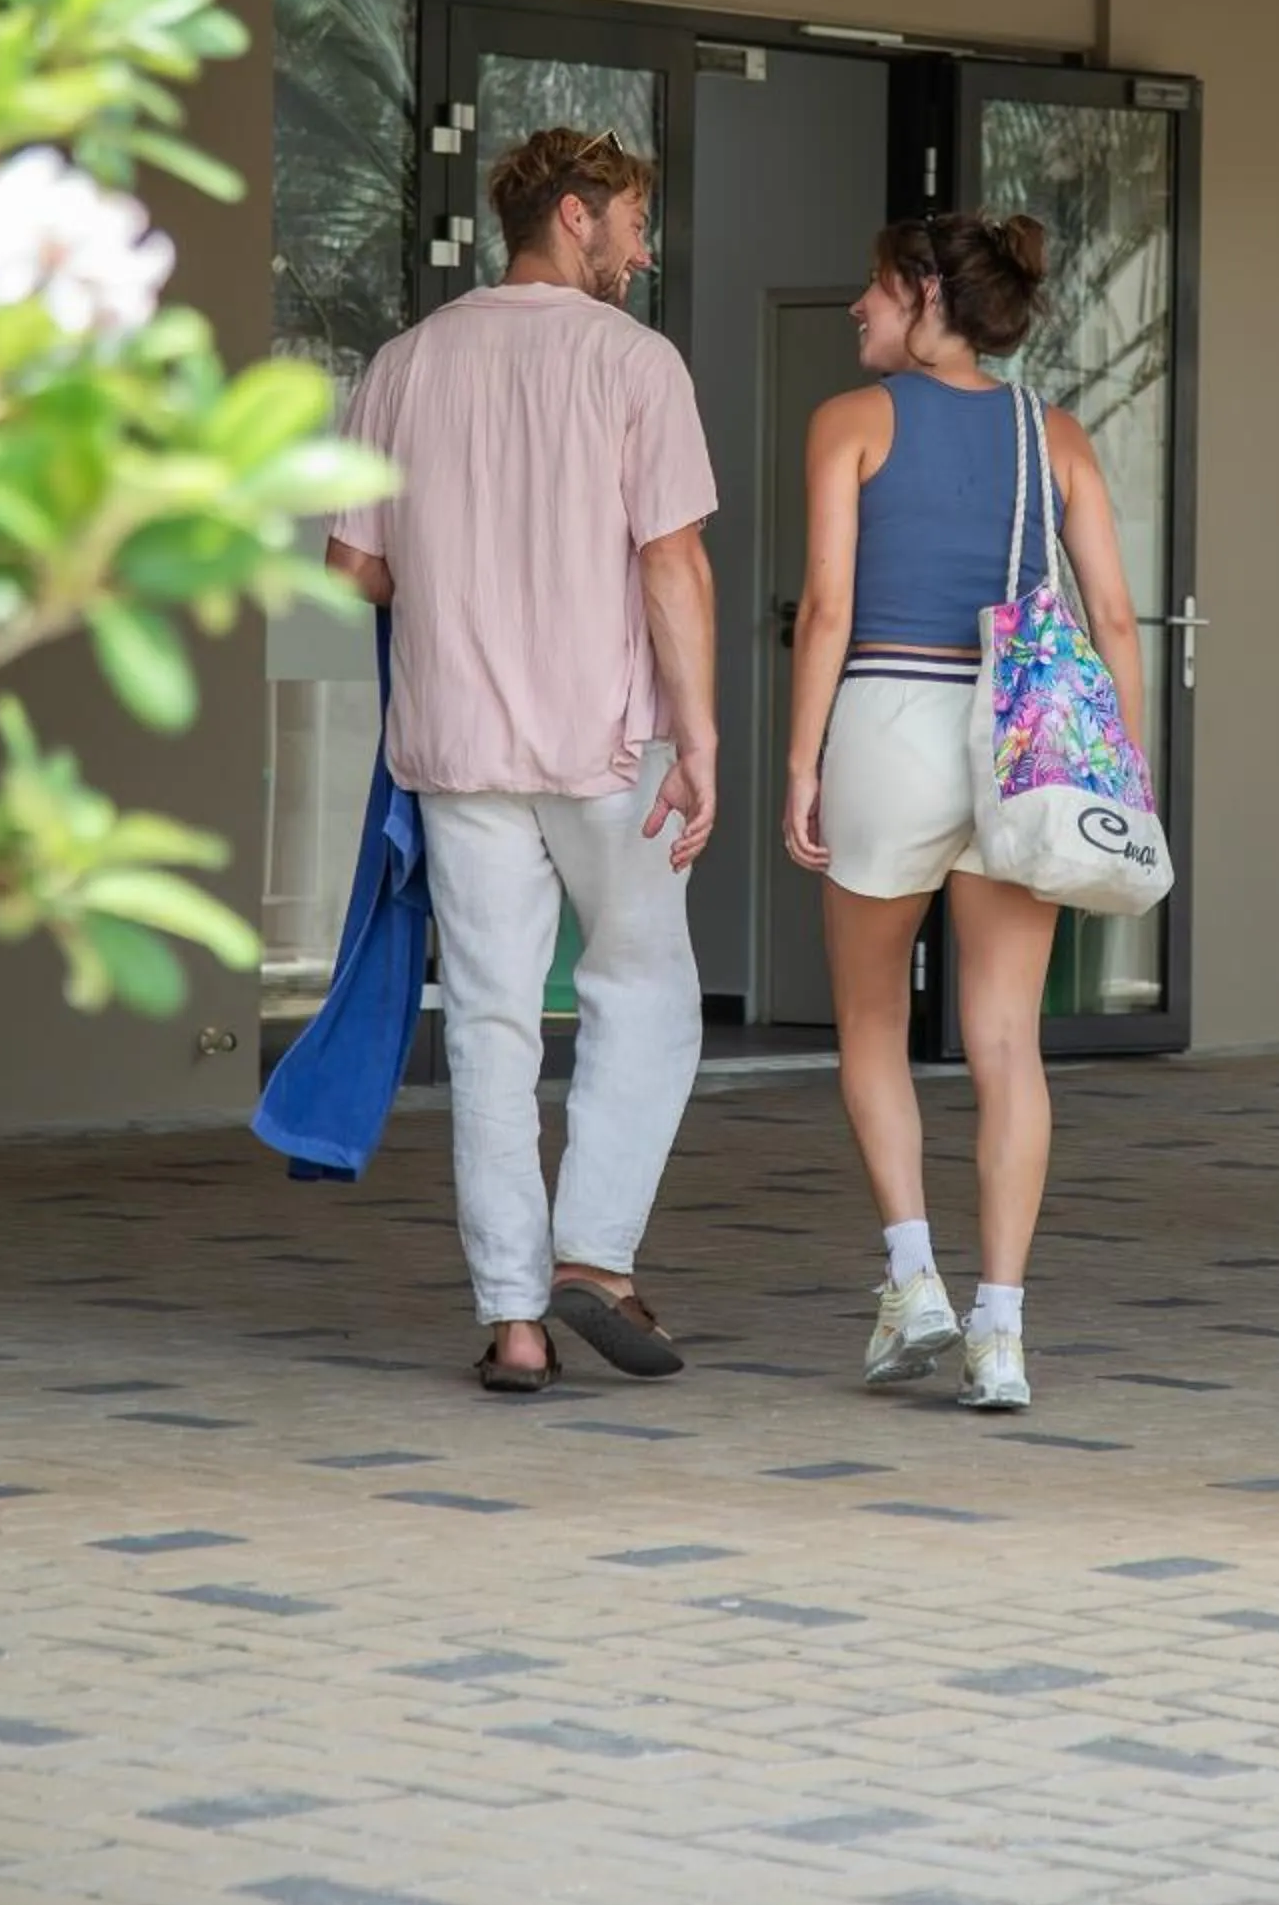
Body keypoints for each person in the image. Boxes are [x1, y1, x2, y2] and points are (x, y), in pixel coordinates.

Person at [325, 127, 718, 1394]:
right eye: (633, 225)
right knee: (642, 990)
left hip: (456, 744)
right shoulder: (635, 363)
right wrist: (700, 737)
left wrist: (460, 572)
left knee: (491, 1025)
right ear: (575, 215)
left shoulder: (403, 364)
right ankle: (593, 1257)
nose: (641, 252)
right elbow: (672, 559)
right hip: (605, 740)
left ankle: (513, 1322)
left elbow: (353, 570)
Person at [784, 213, 1145, 1413]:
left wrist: (798, 763)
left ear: (926, 294)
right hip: (1015, 732)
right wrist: (1119, 770)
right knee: (1004, 1042)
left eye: (874, 288)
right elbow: (1112, 617)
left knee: (869, 1021)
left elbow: (826, 609)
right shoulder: (1054, 435)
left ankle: (912, 1277)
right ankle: (1000, 1334)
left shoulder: (847, 423)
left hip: (887, 718)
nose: (857, 307)